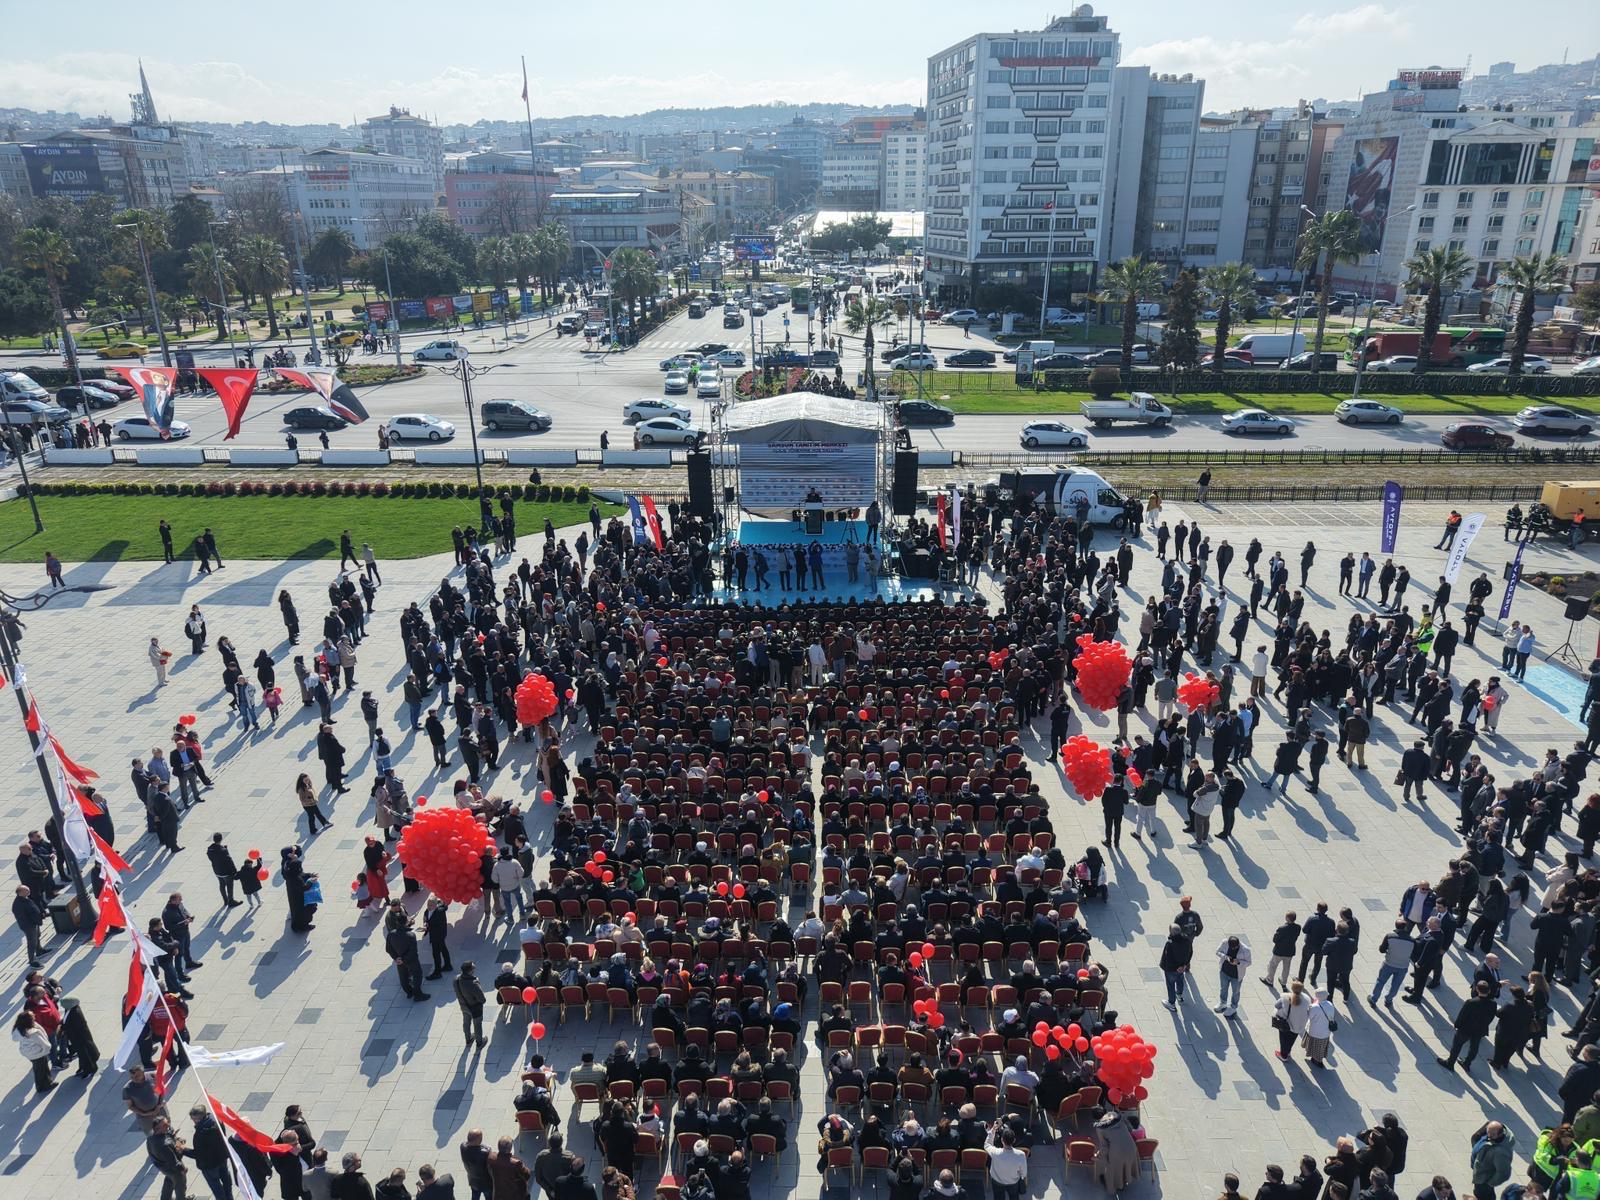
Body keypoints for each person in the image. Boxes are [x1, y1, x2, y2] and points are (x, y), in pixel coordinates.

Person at [12, 1011, 54, 1094]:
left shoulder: (19, 1030)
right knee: (41, 1070)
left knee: (41, 1067)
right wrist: (45, 1051)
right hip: (38, 1053)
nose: (34, 1015)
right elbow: (45, 1044)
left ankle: (47, 1083)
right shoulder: (33, 1033)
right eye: (32, 1016)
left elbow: (14, 1039)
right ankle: (42, 1086)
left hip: (28, 1053)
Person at [454, 961, 487, 1049]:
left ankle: (468, 1039)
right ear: (470, 971)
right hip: (475, 1008)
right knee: (477, 1025)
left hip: (464, 1006)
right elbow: (482, 999)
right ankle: (479, 1042)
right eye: (473, 967)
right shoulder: (473, 983)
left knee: (466, 1022)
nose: (475, 968)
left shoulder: (456, 979)